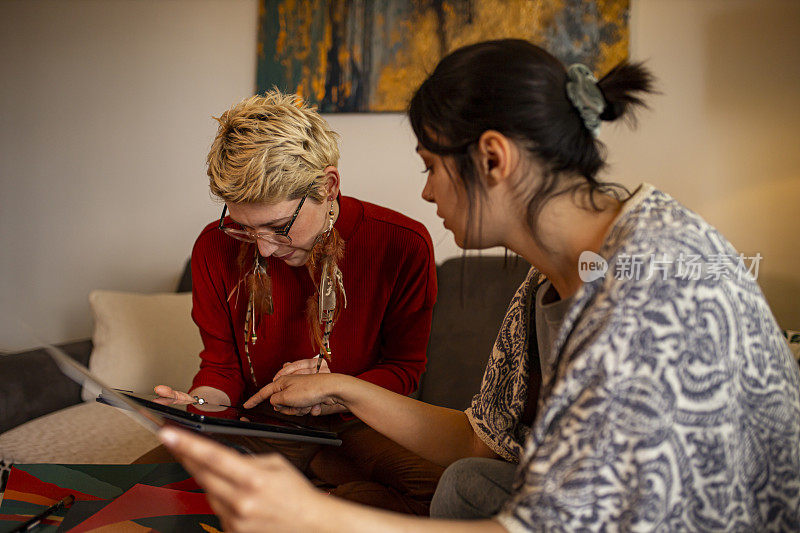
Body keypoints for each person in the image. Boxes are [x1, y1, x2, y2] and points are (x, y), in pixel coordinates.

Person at [157, 39, 800, 531]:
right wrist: (339, 385)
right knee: (469, 477)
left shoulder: (646, 294)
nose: (425, 190)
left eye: (431, 166)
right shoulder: (546, 286)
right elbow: (480, 437)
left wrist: (317, 516)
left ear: (493, 159)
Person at [139, 90, 444, 515]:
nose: (262, 249)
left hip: (358, 428)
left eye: (279, 226)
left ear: (329, 186)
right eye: (244, 227)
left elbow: (405, 371)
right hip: (257, 427)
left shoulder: (403, 244)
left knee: (442, 494)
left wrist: (340, 388)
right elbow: (221, 369)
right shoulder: (214, 247)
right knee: (135, 489)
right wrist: (197, 407)